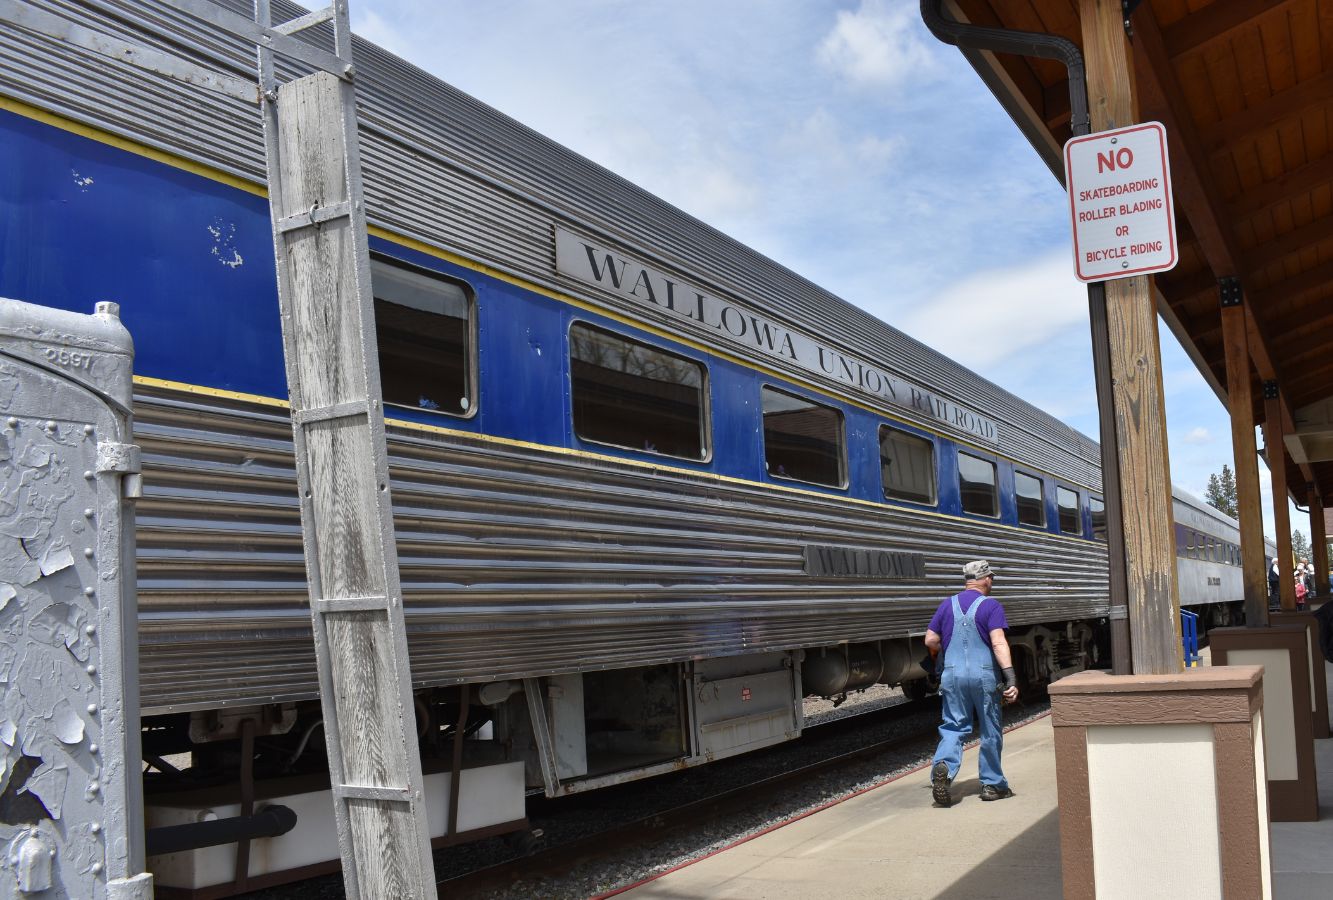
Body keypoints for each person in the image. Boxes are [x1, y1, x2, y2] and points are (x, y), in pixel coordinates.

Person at [925, 560, 1018, 807]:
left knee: (954, 726)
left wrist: (942, 655)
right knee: (990, 728)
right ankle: (992, 784)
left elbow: (931, 640)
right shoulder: (991, 606)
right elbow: (998, 643)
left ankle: (943, 767)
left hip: (952, 675)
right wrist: (1010, 675)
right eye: (992, 579)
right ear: (986, 579)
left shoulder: (947, 604)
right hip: (984, 674)